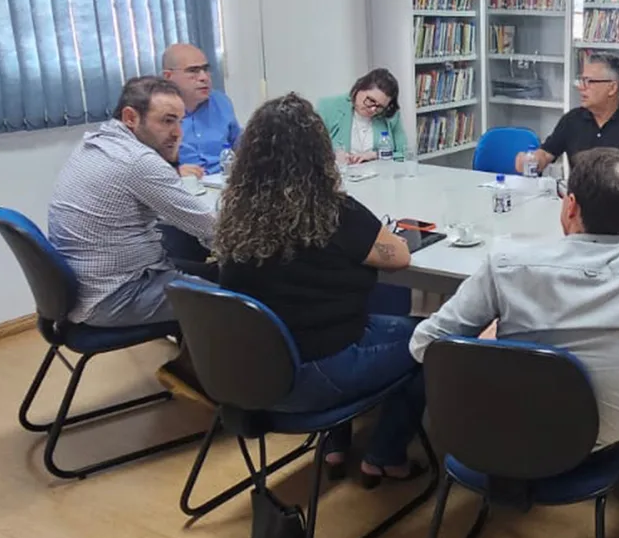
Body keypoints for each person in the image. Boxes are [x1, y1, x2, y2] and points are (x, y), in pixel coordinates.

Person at [409, 147, 619, 449]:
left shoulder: (506, 264)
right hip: (603, 434)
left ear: (570, 205)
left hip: (501, 427)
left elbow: (423, 345)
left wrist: (485, 344)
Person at [216, 93, 425, 487]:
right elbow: (398, 256)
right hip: (319, 375)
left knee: (399, 327)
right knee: (433, 339)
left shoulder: (235, 216)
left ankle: (335, 445)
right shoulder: (333, 212)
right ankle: (385, 455)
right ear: (319, 153)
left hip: (254, 376)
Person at [47, 77, 216, 327]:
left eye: (180, 121)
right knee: (237, 304)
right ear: (130, 117)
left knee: (212, 271)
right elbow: (209, 227)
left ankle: (188, 362)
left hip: (89, 287)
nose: (178, 133)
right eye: (167, 120)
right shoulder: (138, 161)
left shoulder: (95, 143)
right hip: (116, 295)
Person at [514, 53, 619, 175]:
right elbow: (547, 153)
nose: (581, 87)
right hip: (576, 200)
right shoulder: (572, 120)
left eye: (589, 81)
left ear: (612, 88)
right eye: (581, 80)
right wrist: (533, 160)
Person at [162, 43, 241, 176]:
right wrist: (173, 172)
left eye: (206, 69)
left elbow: (239, 146)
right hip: (182, 186)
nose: (204, 77)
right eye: (193, 71)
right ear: (168, 76)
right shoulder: (156, 112)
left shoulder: (221, 102)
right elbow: (141, 164)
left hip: (224, 182)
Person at [317, 68, 410, 164]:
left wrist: (376, 155)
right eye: (371, 100)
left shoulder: (389, 115)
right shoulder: (328, 107)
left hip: (381, 175)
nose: (373, 109)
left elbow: (404, 154)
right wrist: (334, 157)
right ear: (359, 88)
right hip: (341, 174)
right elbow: (311, 152)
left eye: (380, 106)